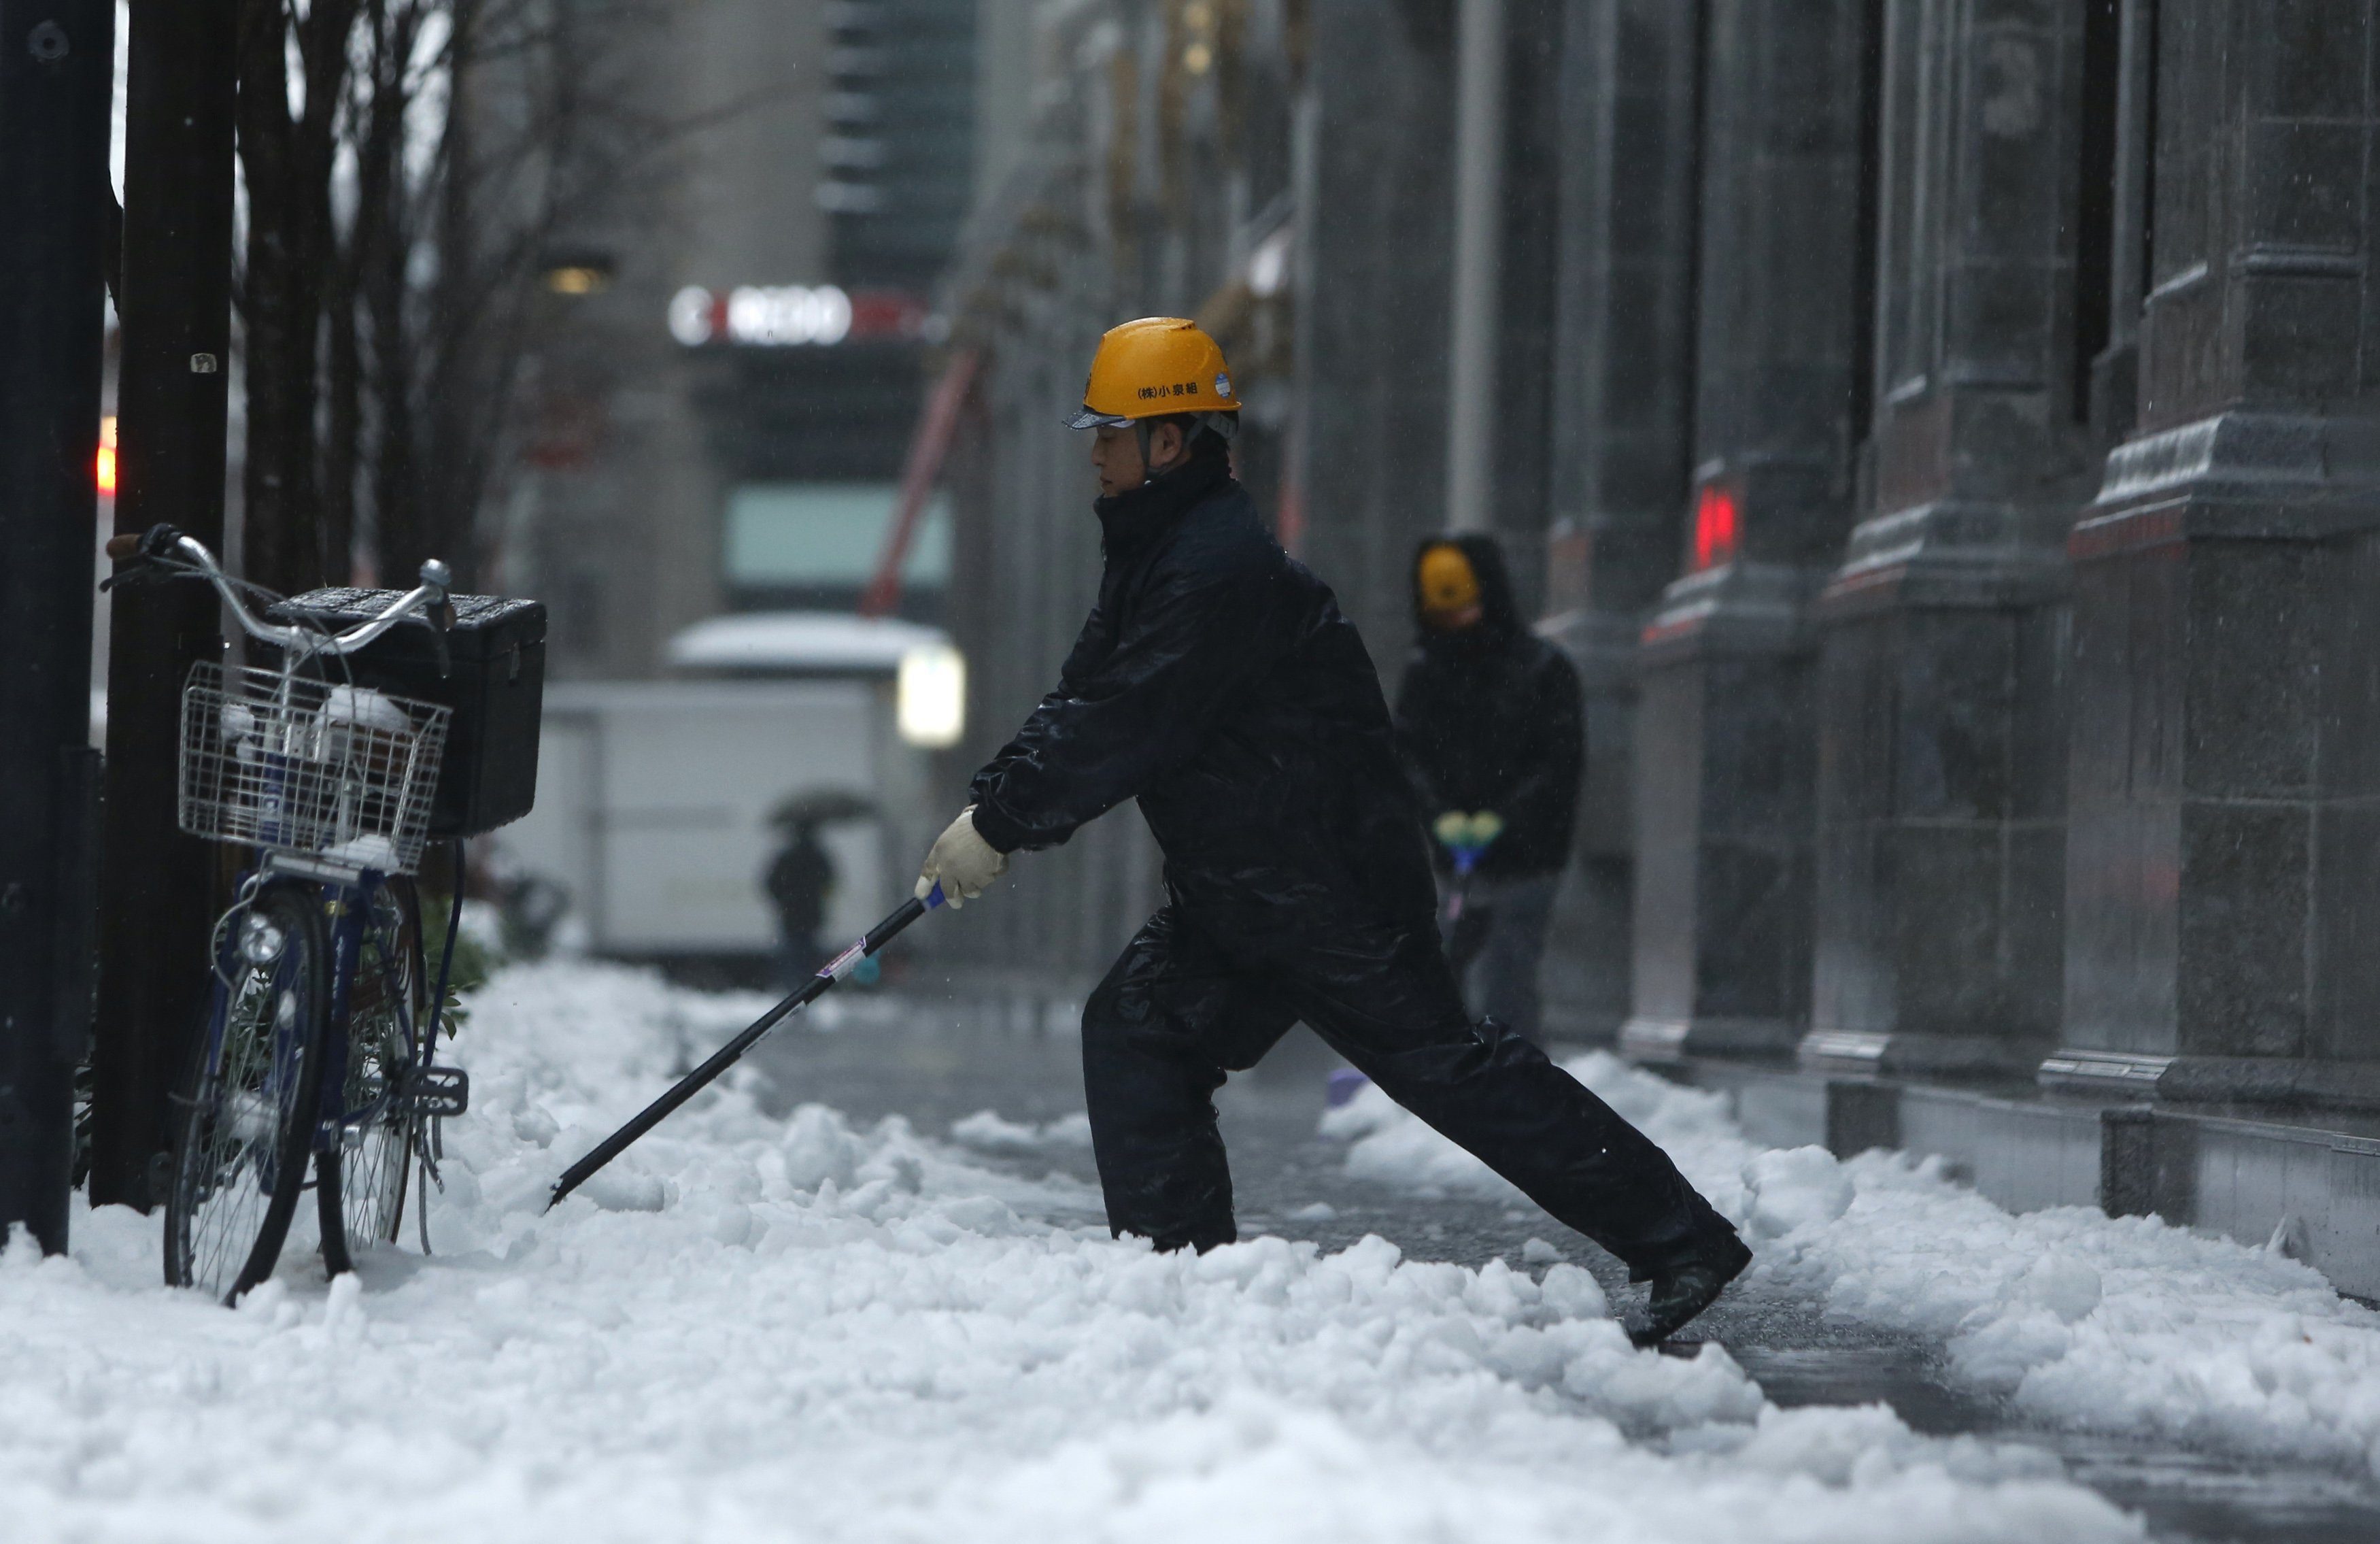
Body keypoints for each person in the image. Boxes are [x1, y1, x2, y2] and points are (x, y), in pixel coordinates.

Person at [912, 317, 1750, 1343]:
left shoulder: (1216, 569)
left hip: (1327, 890)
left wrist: (1003, 823)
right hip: (1246, 888)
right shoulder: (1156, 551)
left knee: (1449, 1070)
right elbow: (1084, 695)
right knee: (1137, 1028)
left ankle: (1682, 1236)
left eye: (1110, 432)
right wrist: (989, 805)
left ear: (1169, 440)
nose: (1094, 450)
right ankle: (1184, 1283)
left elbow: (1131, 716)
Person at [1393, 535, 1583, 1045]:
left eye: (1466, 612)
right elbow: (1408, 754)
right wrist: (1440, 817)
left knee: (1508, 977)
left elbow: (1557, 763)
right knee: (1447, 969)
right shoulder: (1428, 672)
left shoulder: (1543, 672)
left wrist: (1504, 817)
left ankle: (1513, 1084)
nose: (1456, 628)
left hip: (1527, 860)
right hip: (1457, 860)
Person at [764, 816, 835, 992]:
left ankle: (792, 991)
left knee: (791, 957)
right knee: (810, 956)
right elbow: (829, 881)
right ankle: (811, 988)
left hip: (790, 915)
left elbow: (771, 883)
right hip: (812, 915)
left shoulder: (787, 857)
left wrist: (784, 900)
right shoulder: (819, 857)